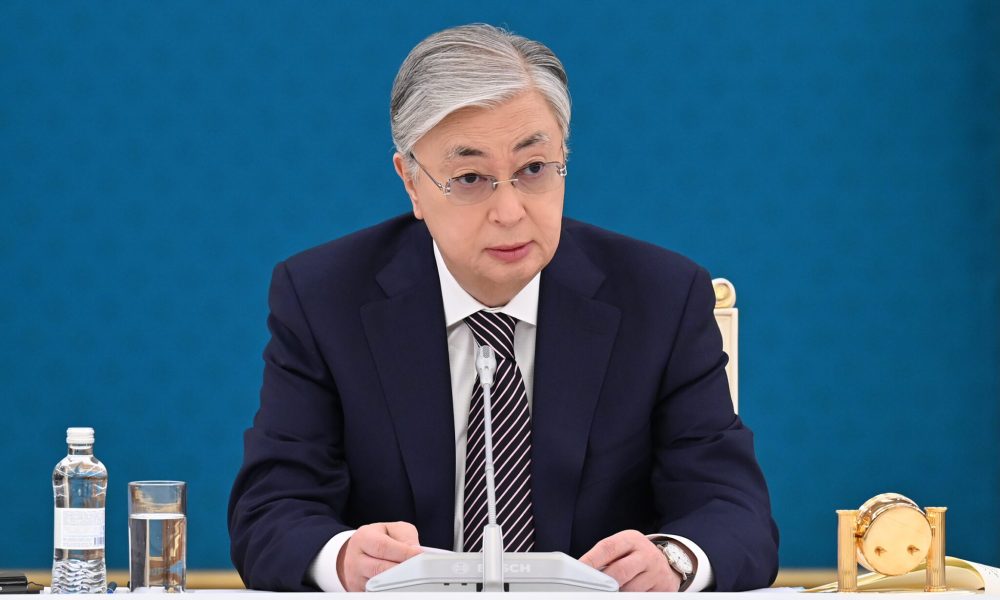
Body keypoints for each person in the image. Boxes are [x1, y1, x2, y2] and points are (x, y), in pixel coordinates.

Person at [228, 23, 778, 593]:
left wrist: (673, 560)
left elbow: (734, 512)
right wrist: (343, 558)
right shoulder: (324, 299)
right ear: (412, 182)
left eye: (533, 169)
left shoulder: (661, 298)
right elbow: (270, 510)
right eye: (470, 178)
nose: (510, 211)